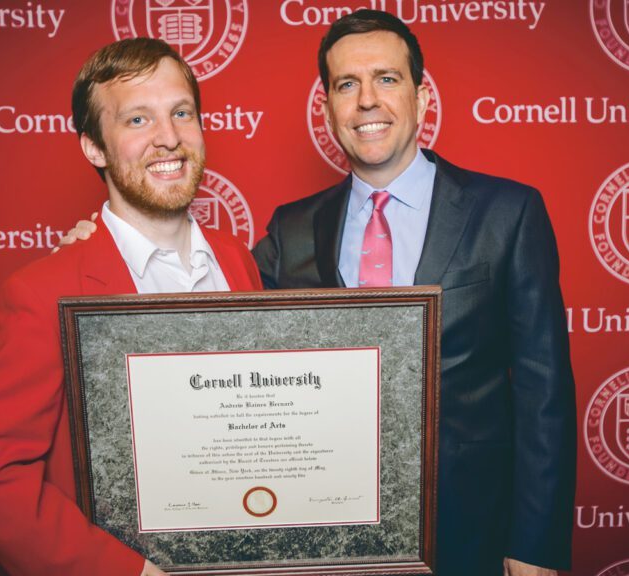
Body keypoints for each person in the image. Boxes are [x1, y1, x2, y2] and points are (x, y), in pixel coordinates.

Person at [251, 10, 576, 576]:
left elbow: (543, 392)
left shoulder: (507, 213)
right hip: (328, 534)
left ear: (423, 99)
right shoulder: (291, 229)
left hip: (471, 529)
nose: (366, 100)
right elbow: (209, 316)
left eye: (387, 78)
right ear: (328, 108)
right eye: (346, 84)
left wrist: (535, 545)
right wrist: (113, 236)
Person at [0, 38, 262, 576]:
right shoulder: (46, 290)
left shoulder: (237, 261)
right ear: (93, 147)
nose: (168, 138)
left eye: (181, 113)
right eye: (138, 120)